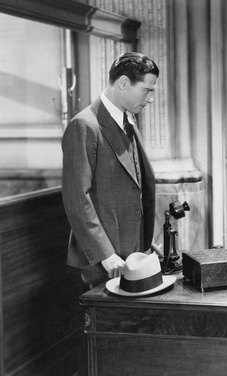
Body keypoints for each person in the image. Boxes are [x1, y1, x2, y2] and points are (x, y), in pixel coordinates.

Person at [62, 52, 160, 289]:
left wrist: (146, 241)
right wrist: (105, 254)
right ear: (123, 83)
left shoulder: (128, 121)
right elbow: (77, 199)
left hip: (133, 253)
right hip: (105, 261)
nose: (150, 99)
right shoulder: (85, 125)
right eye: (147, 90)